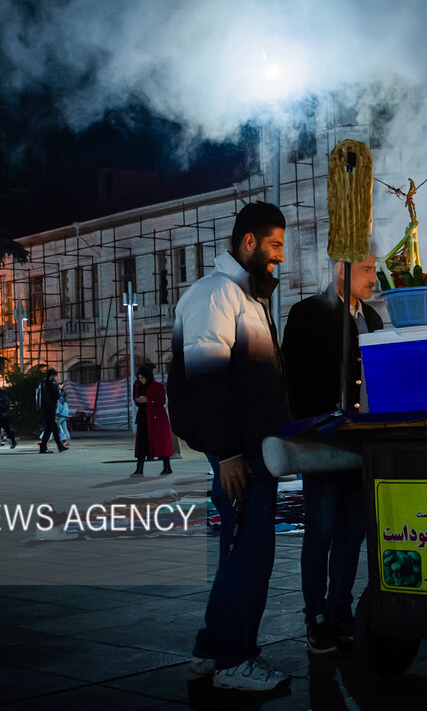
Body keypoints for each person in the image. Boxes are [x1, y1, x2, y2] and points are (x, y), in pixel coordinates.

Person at [170, 201, 292, 692]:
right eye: (275, 245)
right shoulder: (215, 295)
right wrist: (228, 455)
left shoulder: (247, 298)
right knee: (249, 557)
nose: (280, 257)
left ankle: (210, 650)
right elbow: (206, 383)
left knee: (241, 557)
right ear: (249, 242)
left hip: (253, 454)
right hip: (240, 459)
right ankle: (234, 660)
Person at [283, 251, 384, 654]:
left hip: (360, 442)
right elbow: (294, 375)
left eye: (374, 269)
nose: (373, 277)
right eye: (366, 269)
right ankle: (315, 617)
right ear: (340, 271)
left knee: (353, 531)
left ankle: (340, 613)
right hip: (324, 438)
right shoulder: (309, 312)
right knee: (321, 530)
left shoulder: (373, 319)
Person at [131, 364, 172, 477]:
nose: (141, 380)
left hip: (156, 418)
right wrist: (139, 400)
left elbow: (162, 401)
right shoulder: (138, 386)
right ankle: (139, 468)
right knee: (141, 443)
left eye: (143, 378)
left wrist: (148, 400)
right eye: (139, 378)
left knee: (160, 443)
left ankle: (167, 467)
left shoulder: (157, 386)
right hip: (143, 417)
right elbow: (136, 400)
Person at [37, 369, 65, 453]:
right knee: (49, 428)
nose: (55, 377)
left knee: (54, 427)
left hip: (46, 408)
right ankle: (43, 447)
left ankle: (60, 446)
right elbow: (56, 395)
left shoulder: (43, 384)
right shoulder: (50, 384)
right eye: (55, 376)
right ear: (52, 375)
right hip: (50, 408)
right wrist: (59, 388)